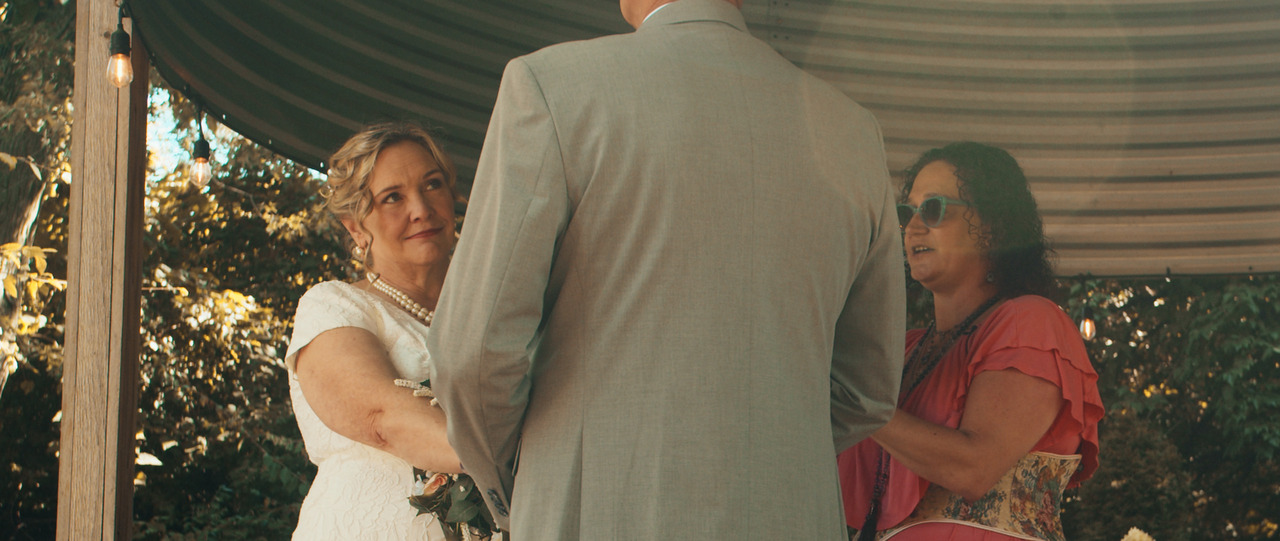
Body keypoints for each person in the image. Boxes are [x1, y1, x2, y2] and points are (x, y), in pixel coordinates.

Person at [427, 0, 906, 538]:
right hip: (791, 515)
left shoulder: (551, 86)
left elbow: (473, 353)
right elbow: (867, 389)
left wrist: (527, 483)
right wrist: (767, 460)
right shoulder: (853, 131)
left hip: (596, 513)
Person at [838, 142, 1104, 541]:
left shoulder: (1029, 321)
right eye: (906, 213)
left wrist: (860, 400)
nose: (912, 227)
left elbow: (973, 468)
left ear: (993, 225)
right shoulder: (904, 350)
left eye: (933, 209)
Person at [283, 122, 463, 540]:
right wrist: (531, 455)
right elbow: (384, 418)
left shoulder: (495, 310)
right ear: (355, 227)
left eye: (432, 185)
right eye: (392, 197)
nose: (421, 208)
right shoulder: (333, 306)